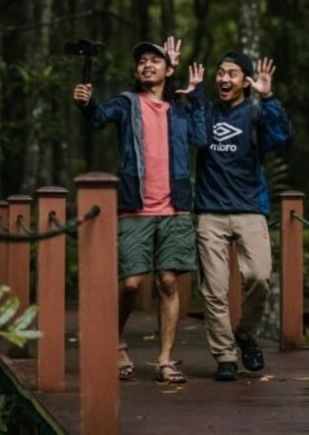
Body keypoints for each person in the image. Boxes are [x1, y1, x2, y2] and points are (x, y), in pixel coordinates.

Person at [72, 37, 205, 384]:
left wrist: (194, 95)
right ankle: (115, 340)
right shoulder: (127, 103)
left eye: (155, 60)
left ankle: (165, 360)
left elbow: (201, 137)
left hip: (175, 207)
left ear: (168, 70)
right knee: (131, 283)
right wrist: (86, 104)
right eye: (142, 61)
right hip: (135, 206)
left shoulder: (179, 107)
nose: (147, 65)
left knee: (168, 282)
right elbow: (99, 117)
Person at [194, 51, 294, 382]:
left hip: (250, 208)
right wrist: (191, 93)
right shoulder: (206, 112)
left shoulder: (255, 115)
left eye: (232, 74)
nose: (223, 78)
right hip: (210, 211)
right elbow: (189, 134)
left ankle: (246, 334)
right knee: (215, 289)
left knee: (261, 277)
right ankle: (224, 356)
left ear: (245, 81)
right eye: (220, 72)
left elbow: (282, 139)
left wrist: (268, 99)